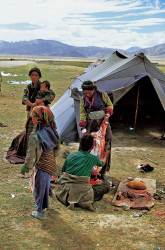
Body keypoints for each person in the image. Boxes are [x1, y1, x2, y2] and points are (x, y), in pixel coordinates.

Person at [21, 106, 59, 220]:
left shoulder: (37, 134)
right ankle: (49, 192)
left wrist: (26, 167)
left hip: (42, 165)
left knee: (39, 188)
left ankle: (41, 212)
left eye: (32, 116)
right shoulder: (51, 129)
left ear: (38, 118)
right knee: (44, 183)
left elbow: (31, 153)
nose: (30, 118)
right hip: (51, 162)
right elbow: (56, 147)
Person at [56, 134, 110, 211]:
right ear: (92, 147)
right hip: (82, 192)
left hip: (65, 192)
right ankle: (80, 200)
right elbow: (101, 163)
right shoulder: (92, 158)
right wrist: (105, 156)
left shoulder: (70, 156)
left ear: (80, 144)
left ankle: (73, 199)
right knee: (106, 185)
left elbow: (64, 171)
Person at [79, 80, 113, 179]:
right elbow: (82, 112)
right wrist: (83, 124)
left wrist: (107, 115)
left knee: (105, 144)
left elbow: (110, 106)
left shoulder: (102, 95)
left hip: (103, 123)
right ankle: (86, 170)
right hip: (90, 124)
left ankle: (102, 172)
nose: (87, 94)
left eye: (89, 92)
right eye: (85, 93)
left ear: (94, 89)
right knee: (88, 145)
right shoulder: (83, 99)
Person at [22, 67, 55, 151]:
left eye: (36, 75)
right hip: (32, 112)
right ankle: (30, 151)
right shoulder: (28, 87)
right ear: (30, 76)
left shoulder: (43, 85)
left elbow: (52, 94)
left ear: (39, 76)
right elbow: (24, 99)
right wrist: (33, 105)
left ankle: (44, 151)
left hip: (43, 112)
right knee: (30, 131)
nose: (34, 77)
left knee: (43, 130)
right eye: (32, 75)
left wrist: (42, 100)